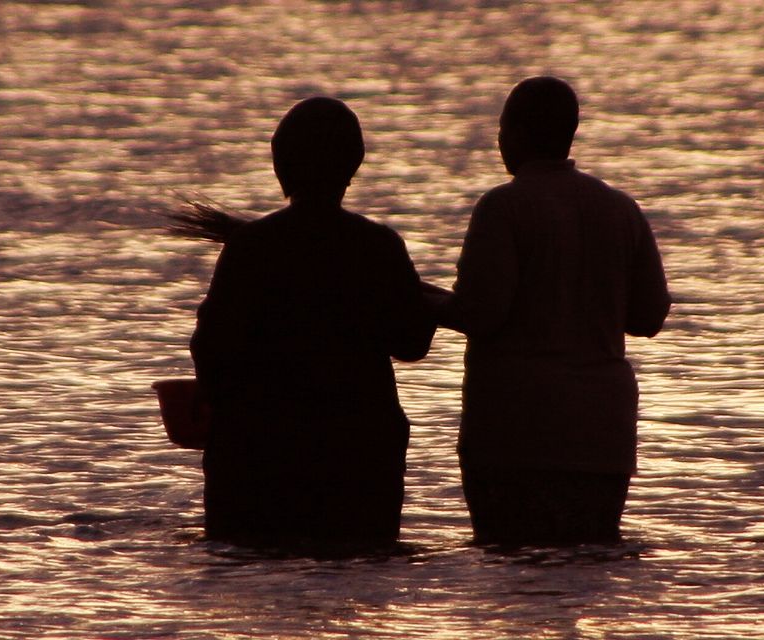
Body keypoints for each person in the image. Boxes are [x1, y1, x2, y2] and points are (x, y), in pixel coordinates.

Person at [431, 77, 671, 546]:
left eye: (501, 129)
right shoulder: (621, 209)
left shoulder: (503, 207)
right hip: (601, 436)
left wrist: (417, 298)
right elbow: (649, 316)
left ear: (517, 133)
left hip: (514, 434)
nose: (499, 141)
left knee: (510, 567)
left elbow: (482, 314)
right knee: (585, 572)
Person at [190, 97, 436, 552]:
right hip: (358, 464)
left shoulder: (249, 247)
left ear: (280, 167)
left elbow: (211, 351)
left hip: (260, 464)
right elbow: (412, 342)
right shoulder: (379, 246)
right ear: (352, 167)